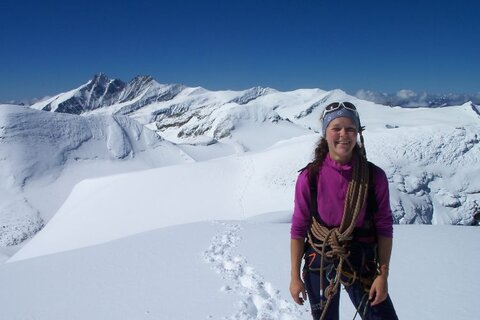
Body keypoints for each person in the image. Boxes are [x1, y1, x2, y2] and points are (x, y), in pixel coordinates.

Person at [289, 102, 398, 320]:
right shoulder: (310, 177)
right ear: (325, 133)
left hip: (360, 258)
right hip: (319, 257)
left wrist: (383, 276)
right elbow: (299, 228)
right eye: (336, 128)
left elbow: (384, 227)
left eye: (350, 128)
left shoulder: (373, 177)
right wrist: (294, 276)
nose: (343, 135)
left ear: (358, 133)